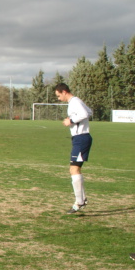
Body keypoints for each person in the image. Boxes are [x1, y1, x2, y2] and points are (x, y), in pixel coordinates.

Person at [55, 83, 93, 214]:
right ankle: (81, 200)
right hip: (79, 139)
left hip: (81, 139)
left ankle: (80, 201)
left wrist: (70, 121)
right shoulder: (76, 102)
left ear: (64, 92)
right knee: (74, 169)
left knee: (74, 169)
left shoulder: (74, 102)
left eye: (59, 95)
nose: (58, 98)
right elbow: (89, 111)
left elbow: (84, 114)